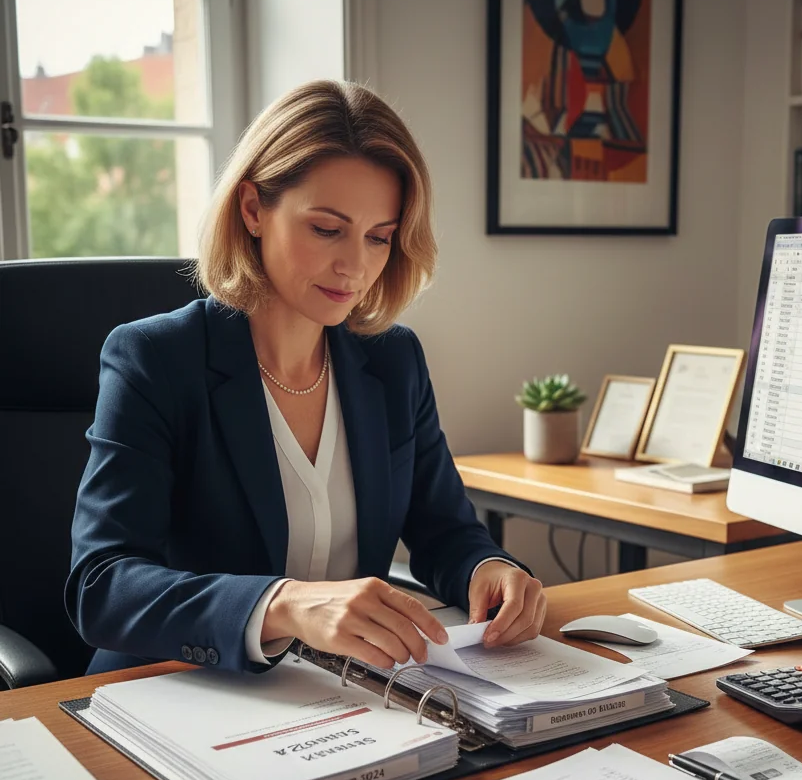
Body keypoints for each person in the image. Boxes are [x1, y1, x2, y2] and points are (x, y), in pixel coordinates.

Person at [66, 80, 546, 676]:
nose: (355, 266)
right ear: (252, 210)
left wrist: (489, 569)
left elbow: (446, 530)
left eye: (379, 238)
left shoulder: (393, 361)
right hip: (176, 689)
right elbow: (102, 585)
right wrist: (282, 604)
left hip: (344, 693)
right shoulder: (155, 358)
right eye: (326, 228)